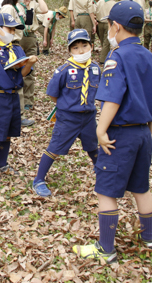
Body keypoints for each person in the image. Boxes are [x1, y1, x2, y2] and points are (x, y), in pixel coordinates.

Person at [72, 1, 152, 263]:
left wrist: (100, 130)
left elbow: (112, 99)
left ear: (116, 26)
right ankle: (149, 238)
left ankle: (106, 249)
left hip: (120, 134)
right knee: (141, 188)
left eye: (109, 25)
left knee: (106, 191)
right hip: (143, 133)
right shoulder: (150, 57)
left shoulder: (117, 57)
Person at [32, 29, 100, 197]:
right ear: (70, 51)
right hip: (68, 118)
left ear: (91, 46)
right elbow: (52, 93)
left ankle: (102, 173)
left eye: (85, 46)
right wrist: (66, 106)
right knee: (55, 148)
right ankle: (39, 179)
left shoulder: (96, 68)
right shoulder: (64, 70)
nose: (81, 51)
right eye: (76, 48)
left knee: (94, 147)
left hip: (89, 117)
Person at [0, 12, 37, 182]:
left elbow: (23, 73)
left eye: (14, 29)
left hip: (14, 96)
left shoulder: (17, 48)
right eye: (9, 28)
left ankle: (3, 164)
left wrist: (30, 63)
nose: (12, 32)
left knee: (7, 133)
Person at [0, 0, 47, 126]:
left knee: (19, 78)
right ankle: (16, 115)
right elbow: (3, 29)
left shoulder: (14, 7)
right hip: (11, 45)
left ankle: (17, 114)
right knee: (14, 78)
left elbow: (26, 23)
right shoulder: (8, 8)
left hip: (17, 44)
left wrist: (27, 7)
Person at [13, 0, 48, 113]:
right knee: (17, 69)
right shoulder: (13, 3)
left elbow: (45, 10)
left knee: (30, 71)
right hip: (17, 39)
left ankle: (28, 100)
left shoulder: (31, 2)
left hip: (30, 38)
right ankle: (17, 99)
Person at [94, 0, 120, 65]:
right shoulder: (114, 3)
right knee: (106, 42)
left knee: (103, 41)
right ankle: (103, 59)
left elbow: (96, 12)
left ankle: (105, 55)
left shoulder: (100, 2)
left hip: (100, 23)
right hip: (109, 23)